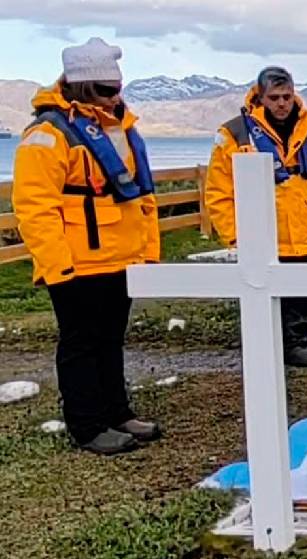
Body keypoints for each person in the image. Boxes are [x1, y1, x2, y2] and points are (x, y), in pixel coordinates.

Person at [12, 38, 161, 455]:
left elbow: (141, 199)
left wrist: (148, 253)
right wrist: (58, 265)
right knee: (81, 343)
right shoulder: (48, 135)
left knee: (111, 339)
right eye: (105, 90)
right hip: (77, 262)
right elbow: (34, 207)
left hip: (121, 257)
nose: (115, 97)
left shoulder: (123, 129)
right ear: (80, 86)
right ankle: (87, 425)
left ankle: (117, 412)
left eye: (118, 88)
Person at [205, 66, 307, 367]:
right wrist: (235, 235)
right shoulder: (234, 133)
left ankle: (298, 342)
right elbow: (218, 191)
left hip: (305, 227)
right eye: (274, 97)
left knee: (305, 298)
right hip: (262, 233)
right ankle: (274, 347)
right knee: (265, 297)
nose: (281, 103)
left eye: (287, 97)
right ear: (261, 97)